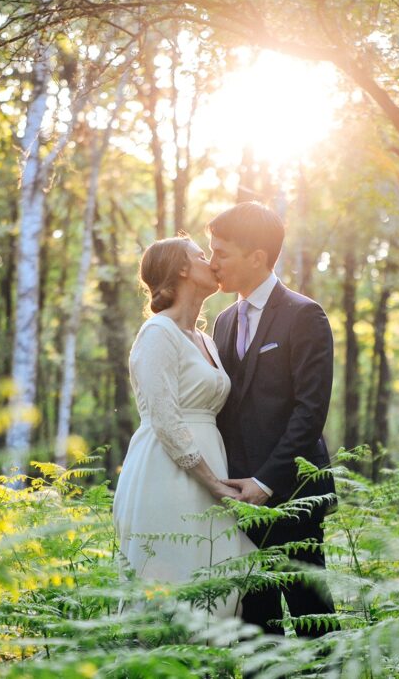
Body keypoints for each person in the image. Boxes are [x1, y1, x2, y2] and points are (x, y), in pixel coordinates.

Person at [208, 201, 338, 637]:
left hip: (294, 492)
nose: (213, 263)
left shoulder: (305, 315)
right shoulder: (223, 322)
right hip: (239, 500)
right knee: (256, 624)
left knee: (310, 614)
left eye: (221, 253)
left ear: (257, 257)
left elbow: (310, 411)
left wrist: (265, 482)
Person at [112, 235, 255, 619]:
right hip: (167, 472)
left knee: (216, 577)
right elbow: (164, 417)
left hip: (213, 468)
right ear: (181, 269)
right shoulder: (157, 332)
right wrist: (211, 482)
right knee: (173, 580)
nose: (211, 261)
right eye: (201, 255)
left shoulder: (206, 339)